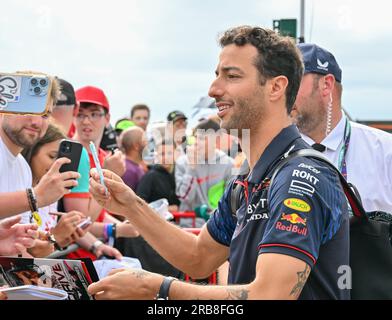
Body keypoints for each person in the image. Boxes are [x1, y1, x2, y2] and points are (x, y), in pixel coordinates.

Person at [87, 26, 349, 300]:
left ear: (275, 87)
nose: (214, 90)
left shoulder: (299, 176)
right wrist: (130, 205)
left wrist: (157, 289)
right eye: (216, 76)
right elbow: (198, 256)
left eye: (232, 76)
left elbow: (270, 296)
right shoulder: (248, 179)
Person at [291, 43, 392, 212]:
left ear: (327, 84)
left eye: (293, 81)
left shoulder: (384, 151)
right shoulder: (273, 153)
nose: (283, 93)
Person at [175, 119, 234, 213]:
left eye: (202, 138)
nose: (197, 142)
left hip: (215, 224)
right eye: (196, 138)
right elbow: (184, 198)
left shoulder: (228, 164)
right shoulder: (182, 162)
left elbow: (230, 200)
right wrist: (191, 167)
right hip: (188, 224)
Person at [136, 139, 180, 211]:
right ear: (157, 155)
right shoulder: (150, 176)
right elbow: (139, 202)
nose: (165, 157)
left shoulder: (178, 174)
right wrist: (167, 209)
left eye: (169, 153)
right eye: (162, 154)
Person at [120, 126, 147, 191]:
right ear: (136, 146)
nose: (147, 144)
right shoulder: (129, 171)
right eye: (144, 140)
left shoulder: (135, 166)